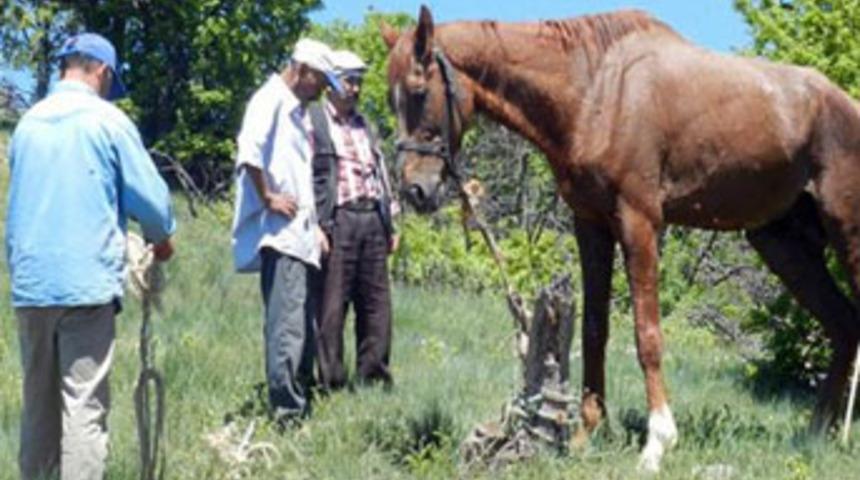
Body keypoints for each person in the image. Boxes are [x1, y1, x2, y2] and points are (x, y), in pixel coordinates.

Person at [5, 33, 176, 480]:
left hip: (31, 286)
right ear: (101, 71)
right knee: (83, 408)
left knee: (38, 409)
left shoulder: (27, 125)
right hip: (85, 286)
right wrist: (160, 239)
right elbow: (153, 203)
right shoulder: (108, 121)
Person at [231, 38, 341, 424]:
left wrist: (316, 229)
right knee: (287, 328)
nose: (323, 89)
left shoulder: (298, 111)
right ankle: (287, 415)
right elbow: (249, 152)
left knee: (303, 326)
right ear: (302, 69)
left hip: (301, 235)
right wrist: (268, 197)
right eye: (321, 80)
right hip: (281, 236)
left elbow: (299, 177)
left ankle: (300, 404)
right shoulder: (270, 99)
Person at [311, 49, 400, 391]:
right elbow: (306, 176)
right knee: (332, 305)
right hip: (339, 219)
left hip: (372, 218)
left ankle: (373, 379)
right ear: (331, 83)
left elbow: (380, 172)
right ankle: (331, 382)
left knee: (376, 304)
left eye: (359, 81)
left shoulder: (365, 125)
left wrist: (391, 220)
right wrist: (316, 225)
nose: (356, 88)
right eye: (349, 81)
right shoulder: (315, 121)